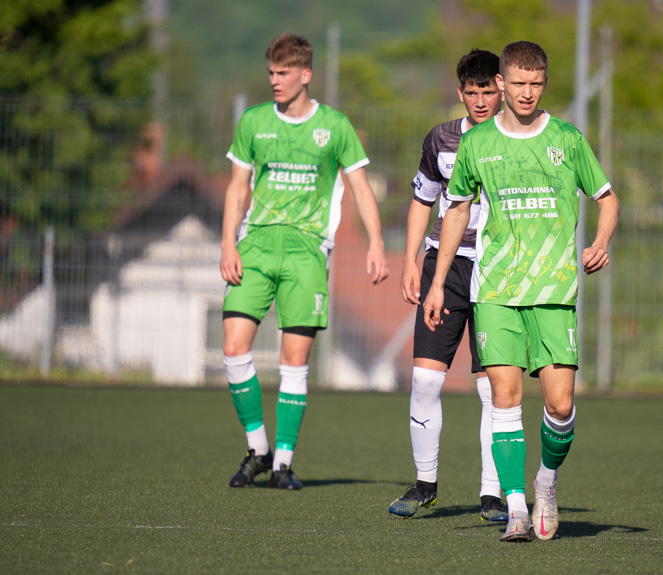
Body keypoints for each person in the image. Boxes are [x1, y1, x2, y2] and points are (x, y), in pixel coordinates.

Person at [423, 40, 620, 542]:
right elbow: (458, 210)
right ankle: (514, 508)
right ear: (502, 85)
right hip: (496, 292)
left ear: (544, 84)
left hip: (554, 292)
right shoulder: (478, 144)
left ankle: (546, 483)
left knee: (559, 405)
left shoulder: (568, 140)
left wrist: (600, 241)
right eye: (519, 84)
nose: (527, 93)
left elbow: (607, 198)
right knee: (504, 398)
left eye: (537, 84)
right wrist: (440, 283)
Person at [220, 33, 389, 490]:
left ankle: (283, 464)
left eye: (283, 74)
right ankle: (258, 449)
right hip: (254, 245)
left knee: (293, 361)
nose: (275, 82)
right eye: (271, 73)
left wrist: (376, 243)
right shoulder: (254, 121)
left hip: (307, 251)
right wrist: (227, 245)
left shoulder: (335, 126)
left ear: (305, 74)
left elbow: (360, 187)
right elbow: (238, 187)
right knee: (234, 349)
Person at [388, 49, 507, 522]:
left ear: (501, 88)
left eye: (487, 91)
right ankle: (425, 484)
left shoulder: (514, 139)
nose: (480, 101)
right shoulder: (440, 138)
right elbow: (423, 199)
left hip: (499, 271)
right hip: (446, 268)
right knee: (424, 381)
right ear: (460, 93)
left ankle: (493, 495)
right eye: (471, 92)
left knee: (493, 390)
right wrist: (410, 260)